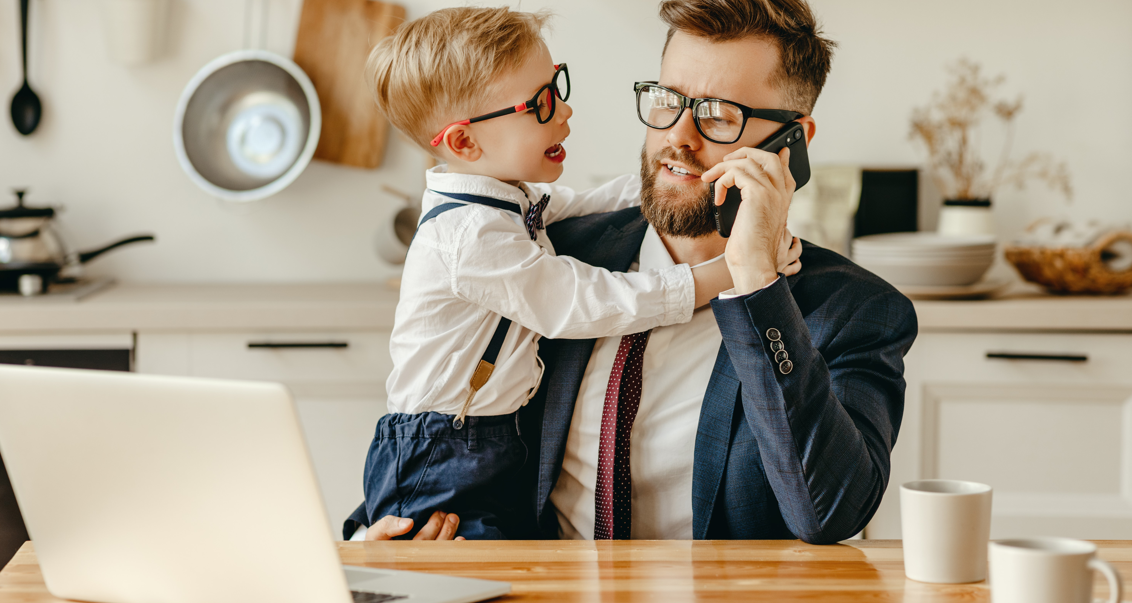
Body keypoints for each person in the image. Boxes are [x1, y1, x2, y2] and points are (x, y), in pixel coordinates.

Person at [365, 0, 917, 544]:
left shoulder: (856, 309)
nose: (679, 136)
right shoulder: (553, 253)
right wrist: (378, 543)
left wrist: (754, 280)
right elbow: (431, 455)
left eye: (719, 116)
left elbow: (827, 514)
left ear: (792, 141)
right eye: (667, 100)